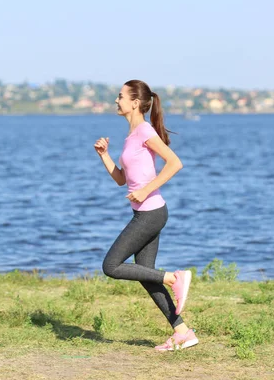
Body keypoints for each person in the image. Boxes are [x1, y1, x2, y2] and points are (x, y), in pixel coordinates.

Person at [93, 79, 198, 351]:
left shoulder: (144, 131)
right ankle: (183, 332)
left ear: (135, 103)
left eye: (120, 96)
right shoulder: (132, 136)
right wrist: (104, 155)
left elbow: (174, 163)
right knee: (145, 274)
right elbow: (121, 179)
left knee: (111, 266)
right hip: (148, 213)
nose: (116, 101)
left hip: (150, 214)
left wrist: (146, 190)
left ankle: (174, 278)